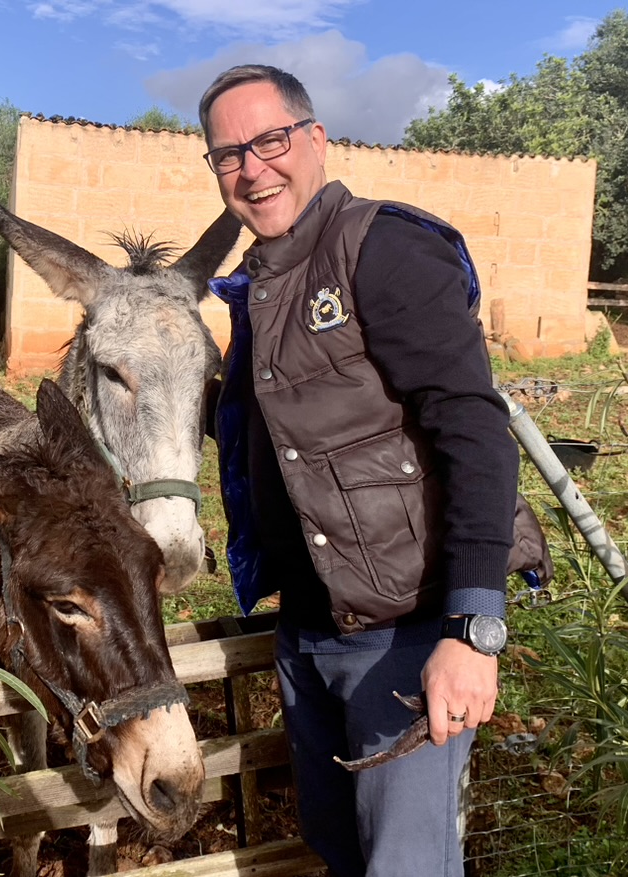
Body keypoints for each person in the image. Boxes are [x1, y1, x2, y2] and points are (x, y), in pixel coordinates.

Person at [199, 65, 521, 876]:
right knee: (338, 849)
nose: (251, 167)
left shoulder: (381, 248)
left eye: (268, 139)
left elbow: (475, 430)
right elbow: (273, 437)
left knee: (403, 867)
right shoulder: (264, 286)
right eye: (227, 153)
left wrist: (471, 628)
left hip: (408, 636)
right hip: (309, 629)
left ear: (314, 139)